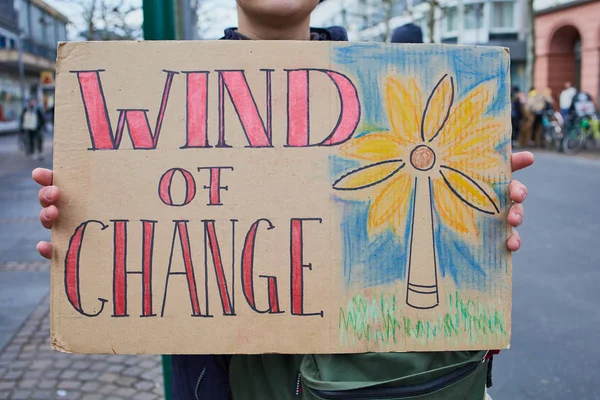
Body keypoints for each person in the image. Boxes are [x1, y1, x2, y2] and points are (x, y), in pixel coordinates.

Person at [32, 1, 534, 399]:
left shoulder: (400, 80)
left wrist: (485, 210)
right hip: (224, 382)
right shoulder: (165, 88)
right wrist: (82, 211)